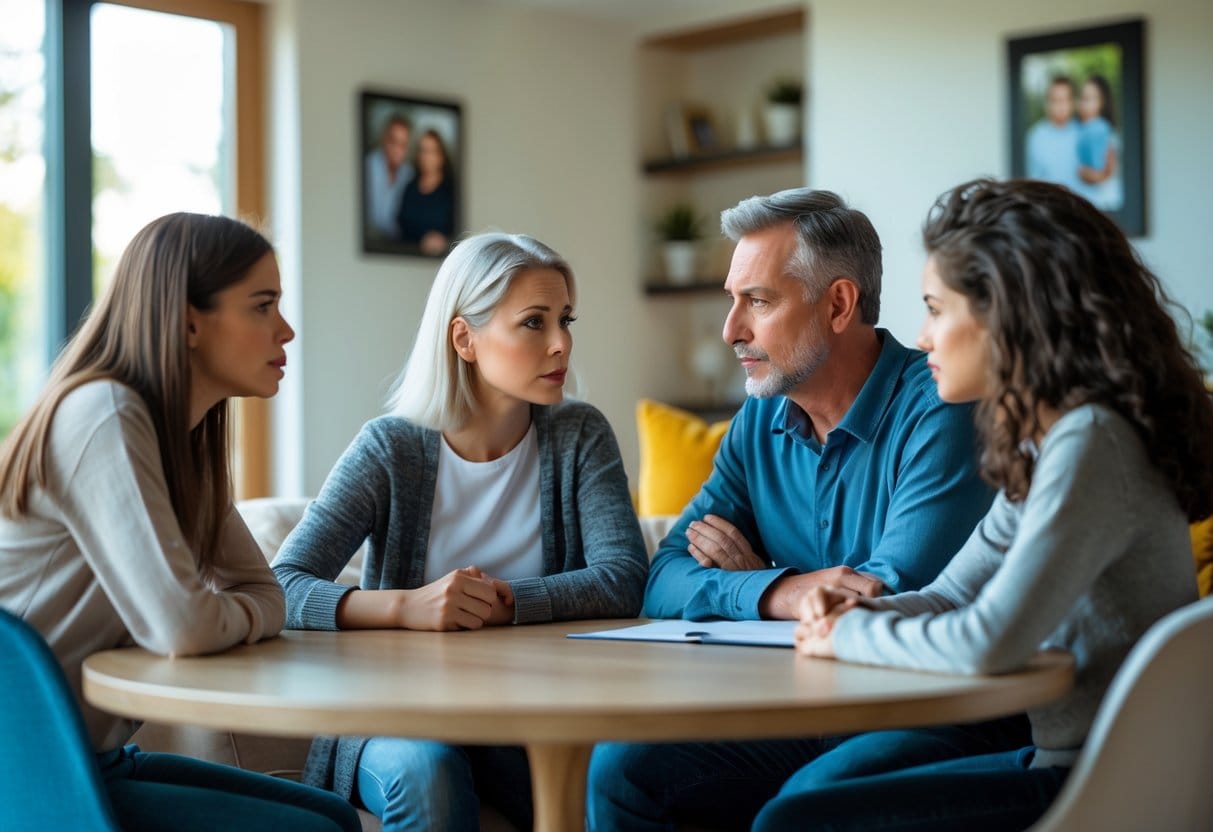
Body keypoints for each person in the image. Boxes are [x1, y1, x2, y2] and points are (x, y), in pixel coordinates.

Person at [754, 178, 1212, 832]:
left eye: (936, 309)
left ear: (1006, 313)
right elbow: (950, 596)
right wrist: (855, 609)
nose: (921, 337)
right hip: (1064, 761)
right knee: (794, 806)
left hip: (1106, 782)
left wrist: (846, 634)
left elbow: (990, 641)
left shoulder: (1091, 442)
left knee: (795, 822)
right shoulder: (1047, 443)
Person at [587, 188, 996, 831]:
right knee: (623, 770)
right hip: (799, 706)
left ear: (838, 304)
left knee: (799, 806)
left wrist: (751, 584)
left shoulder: (941, 405)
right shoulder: (760, 416)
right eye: (733, 299)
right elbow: (662, 575)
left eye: (758, 300)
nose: (731, 330)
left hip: (925, 712)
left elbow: (884, 595)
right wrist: (777, 589)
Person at [271, 231, 649, 832]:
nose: (561, 344)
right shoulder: (389, 447)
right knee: (428, 772)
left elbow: (624, 578)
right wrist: (407, 608)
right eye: (533, 323)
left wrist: (503, 604)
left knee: (622, 779)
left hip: (535, 713)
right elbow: (281, 587)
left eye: (565, 320)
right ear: (464, 338)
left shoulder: (580, 435)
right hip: (395, 714)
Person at [0, 213, 359, 832]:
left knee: (332, 816)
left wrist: (227, 615)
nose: (287, 329)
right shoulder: (104, 413)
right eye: (262, 305)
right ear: (189, 321)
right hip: (27, 765)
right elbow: (183, 626)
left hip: (97, 756)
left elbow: (264, 590)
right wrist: (228, 617)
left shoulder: (183, 441)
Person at [397, 128, 456, 256]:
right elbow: (401, 228)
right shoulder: (409, 188)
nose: (426, 157)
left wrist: (444, 241)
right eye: (423, 151)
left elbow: (460, 232)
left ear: (441, 156)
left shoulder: (451, 190)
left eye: (431, 151)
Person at [1025, 76, 1081, 192]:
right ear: (1047, 103)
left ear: (1073, 102)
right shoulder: (1036, 135)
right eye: (1055, 100)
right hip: (1048, 206)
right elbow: (1033, 180)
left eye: (1064, 100)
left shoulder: (1084, 132)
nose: (1060, 106)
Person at [1076, 74, 1123, 210]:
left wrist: (1085, 173)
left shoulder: (1106, 133)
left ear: (1102, 102)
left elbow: (1104, 174)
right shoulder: (1081, 131)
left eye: (1089, 99)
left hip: (1106, 205)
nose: (1083, 104)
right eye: (1082, 98)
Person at [365, 113, 413, 240]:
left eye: (403, 144)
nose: (397, 149)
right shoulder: (368, 166)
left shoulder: (409, 174)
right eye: (394, 141)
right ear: (384, 140)